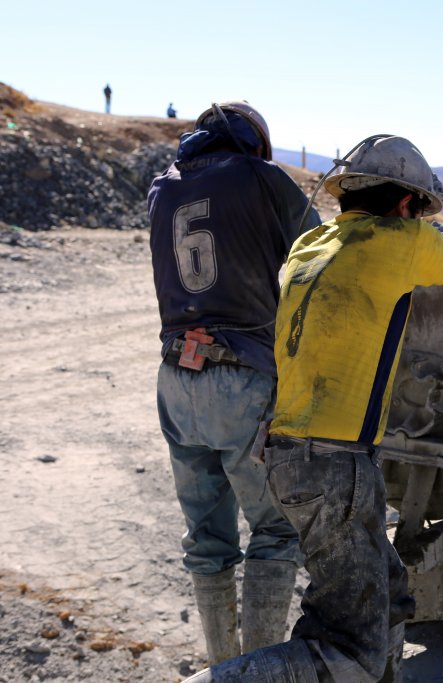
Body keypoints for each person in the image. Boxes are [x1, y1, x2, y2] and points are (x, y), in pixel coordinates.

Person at [182, 135, 443, 682]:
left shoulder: (309, 244)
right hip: (335, 462)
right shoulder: (403, 240)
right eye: (418, 210)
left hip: (284, 455)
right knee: (352, 647)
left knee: (388, 595)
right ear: (405, 206)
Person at [148, 100, 321, 667]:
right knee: (274, 533)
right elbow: (320, 257)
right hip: (243, 375)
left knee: (207, 541)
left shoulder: (162, 189)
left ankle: (224, 667)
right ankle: (258, 674)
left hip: (176, 375)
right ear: (256, 143)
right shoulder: (263, 178)